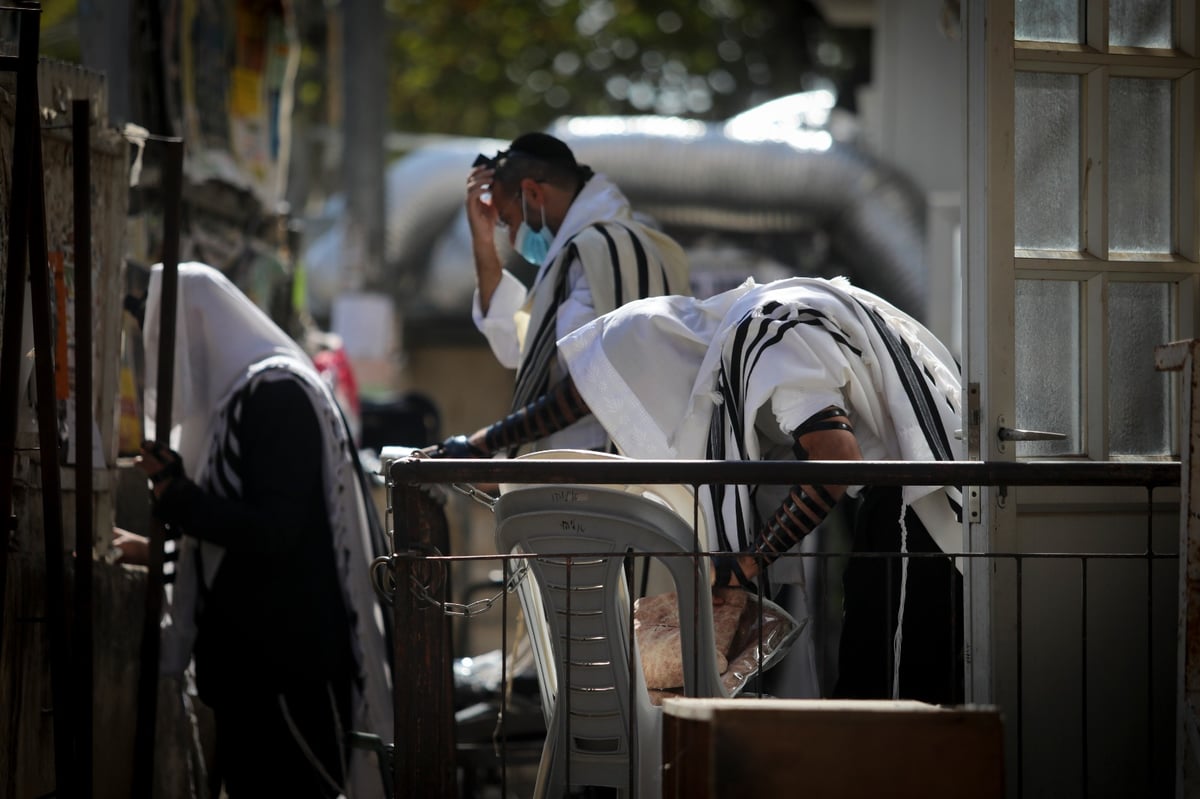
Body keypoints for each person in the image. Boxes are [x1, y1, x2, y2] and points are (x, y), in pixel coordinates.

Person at [436, 275, 964, 705]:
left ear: (654, 379)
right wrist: (481, 443)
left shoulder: (766, 334)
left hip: (918, 503)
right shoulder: (730, 339)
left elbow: (835, 462)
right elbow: (575, 397)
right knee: (882, 690)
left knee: (892, 702)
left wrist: (746, 563)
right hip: (904, 499)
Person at [126, 262, 392, 798]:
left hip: (287, 671)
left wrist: (181, 498)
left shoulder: (275, 396)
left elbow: (274, 531)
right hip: (256, 673)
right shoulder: (239, 401)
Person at [464, 131, 690, 452]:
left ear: (531, 193)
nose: (512, 236)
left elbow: (597, 382)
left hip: (606, 473)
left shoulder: (606, 249)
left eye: (507, 220)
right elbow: (517, 348)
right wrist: (483, 242)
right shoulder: (582, 253)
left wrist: (487, 442)